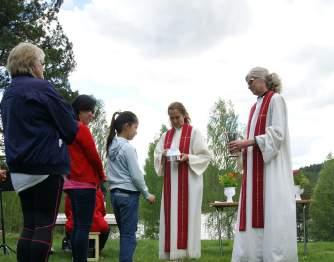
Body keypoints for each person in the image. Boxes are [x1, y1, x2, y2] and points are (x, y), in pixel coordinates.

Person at [1, 42, 78, 262]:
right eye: (42, 63)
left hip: (19, 168)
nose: (43, 68)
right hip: (45, 166)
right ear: (33, 65)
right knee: (44, 225)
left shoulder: (8, 93)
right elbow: (70, 128)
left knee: (30, 225)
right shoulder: (42, 88)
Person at [230, 67, 297, 261]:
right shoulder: (255, 107)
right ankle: (251, 255)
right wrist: (241, 147)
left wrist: (248, 142)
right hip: (254, 170)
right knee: (252, 211)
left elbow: (277, 134)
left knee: (272, 211)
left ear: (262, 80)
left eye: (250, 81)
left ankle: (274, 256)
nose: (248, 86)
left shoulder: (276, 100)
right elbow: (254, 138)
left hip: (271, 170)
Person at [154, 102, 211, 260]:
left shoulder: (194, 133)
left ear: (185, 115)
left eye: (177, 117)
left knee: (188, 215)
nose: (174, 121)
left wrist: (188, 157)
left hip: (190, 184)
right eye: (171, 118)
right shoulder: (166, 135)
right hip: (171, 184)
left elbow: (205, 156)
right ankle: (172, 252)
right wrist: (163, 154)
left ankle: (189, 252)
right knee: (171, 215)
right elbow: (157, 155)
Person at [106, 111, 155, 262]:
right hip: (128, 196)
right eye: (135, 127)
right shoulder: (127, 148)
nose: (136, 131)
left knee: (124, 234)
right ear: (126, 126)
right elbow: (136, 175)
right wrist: (147, 194)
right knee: (129, 236)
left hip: (115, 195)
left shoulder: (111, 146)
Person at [63, 94, 106, 262]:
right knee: (83, 226)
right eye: (90, 111)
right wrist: (101, 175)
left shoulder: (66, 129)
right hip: (84, 183)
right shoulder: (81, 128)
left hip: (70, 183)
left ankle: (76, 258)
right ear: (80, 111)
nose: (92, 115)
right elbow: (94, 156)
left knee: (76, 226)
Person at [62, 187, 110, 252]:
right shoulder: (97, 190)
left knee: (69, 226)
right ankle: (97, 250)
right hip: (96, 223)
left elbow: (67, 210)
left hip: (76, 223)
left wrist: (71, 218)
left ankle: (73, 247)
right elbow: (103, 211)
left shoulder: (71, 189)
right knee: (105, 228)